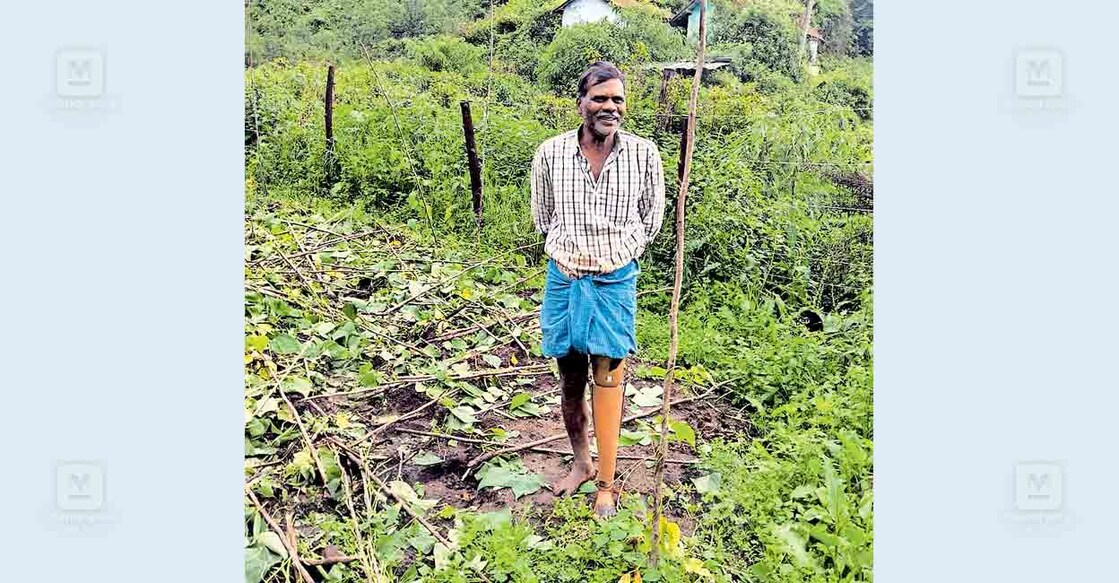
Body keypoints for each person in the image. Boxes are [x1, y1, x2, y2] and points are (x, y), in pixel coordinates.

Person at [529, 61, 667, 517]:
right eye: (601, 98)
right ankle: (581, 463)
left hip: (614, 278)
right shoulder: (550, 154)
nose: (610, 107)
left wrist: (621, 253)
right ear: (581, 102)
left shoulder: (644, 155)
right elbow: (542, 215)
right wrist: (569, 253)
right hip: (565, 276)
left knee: (608, 377)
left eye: (618, 99)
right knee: (569, 375)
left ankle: (606, 483)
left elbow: (652, 219)